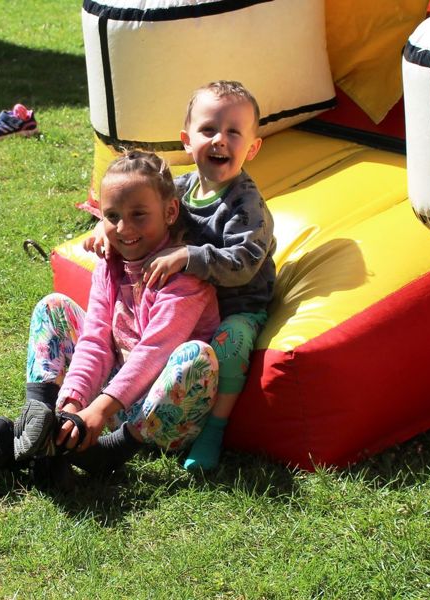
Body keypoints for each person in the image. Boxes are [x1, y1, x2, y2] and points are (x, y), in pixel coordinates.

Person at [0, 150, 221, 492]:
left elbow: (153, 353)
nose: (124, 228)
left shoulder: (185, 276)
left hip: (163, 414)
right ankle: (42, 423)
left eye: (139, 214)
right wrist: (73, 405)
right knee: (53, 306)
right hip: (112, 398)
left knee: (196, 357)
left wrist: (98, 411)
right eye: (112, 216)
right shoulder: (109, 264)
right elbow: (96, 340)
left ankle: (110, 452)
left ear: (170, 211)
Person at [84, 81, 276, 471]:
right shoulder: (182, 187)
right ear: (187, 140)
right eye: (208, 130)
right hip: (186, 304)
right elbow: (137, 201)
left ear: (252, 148)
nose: (219, 140)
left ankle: (213, 429)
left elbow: (243, 263)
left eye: (233, 132)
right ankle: (131, 392)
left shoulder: (246, 204)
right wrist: (104, 226)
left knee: (232, 341)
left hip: (236, 303)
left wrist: (189, 255)